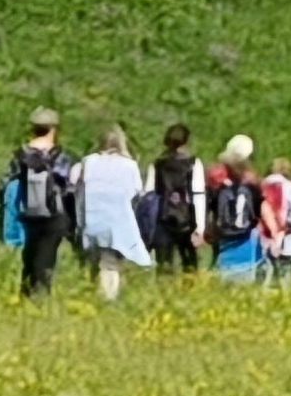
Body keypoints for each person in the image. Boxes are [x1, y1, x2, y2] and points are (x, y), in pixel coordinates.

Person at [5, 107, 77, 299]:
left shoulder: (20, 155)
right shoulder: (61, 157)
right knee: (46, 259)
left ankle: (26, 293)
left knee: (29, 257)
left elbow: (6, 184)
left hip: (28, 212)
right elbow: (70, 188)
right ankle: (40, 297)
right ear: (54, 129)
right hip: (54, 214)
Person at [76, 126, 152, 302]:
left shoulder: (89, 162)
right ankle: (108, 297)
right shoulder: (130, 165)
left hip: (93, 219)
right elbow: (137, 194)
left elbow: (81, 190)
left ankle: (97, 291)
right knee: (111, 262)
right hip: (118, 220)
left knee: (99, 259)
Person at [144, 125, 207, 273]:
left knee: (164, 264)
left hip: (162, 217)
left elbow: (148, 194)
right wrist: (200, 227)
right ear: (186, 141)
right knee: (190, 264)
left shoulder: (157, 163)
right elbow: (198, 194)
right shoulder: (193, 163)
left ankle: (164, 293)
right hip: (187, 219)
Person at [210, 151, 266, 281]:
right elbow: (259, 213)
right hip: (247, 241)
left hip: (227, 242)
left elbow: (217, 217)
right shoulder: (252, 188)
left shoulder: (222, 191)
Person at [261, 158, 291, 288]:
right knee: (285, 273)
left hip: (264, 238)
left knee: (266, 275)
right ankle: (285, 301)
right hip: (286, 237)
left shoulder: (261, 186)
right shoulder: (290, 187)